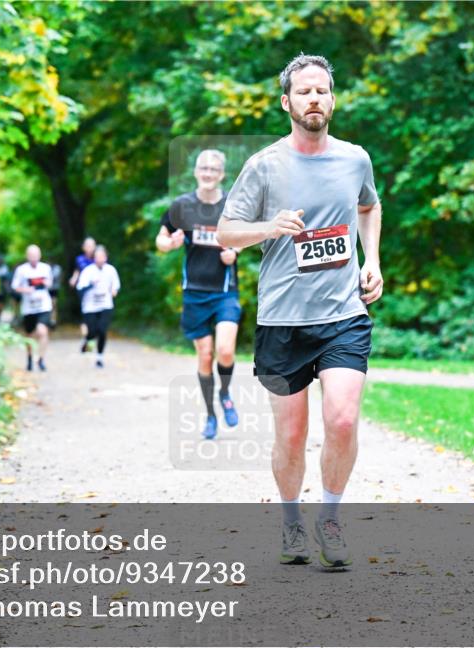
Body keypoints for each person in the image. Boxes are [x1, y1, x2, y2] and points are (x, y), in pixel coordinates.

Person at [216, 54, 384, 569]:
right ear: (287, 102)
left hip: (343, 316)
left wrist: (371, 259)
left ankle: (329, 519)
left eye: (322, 91)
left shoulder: (355, 159)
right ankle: (291, 523)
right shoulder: (264, 165)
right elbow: (226, 233)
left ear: (333, 99)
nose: (315, 99)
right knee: (290, 434)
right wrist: (269, 228)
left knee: (342, 417)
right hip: (282, 322)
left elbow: (368, 206)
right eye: (304, 92)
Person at [156, 149, 241, 441]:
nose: (208, 173)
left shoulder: (232, 204)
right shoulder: (182, 206)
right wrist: (169, 243)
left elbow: (247, 234)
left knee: (225, 351)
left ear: (221, 174)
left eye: (213, 169)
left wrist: (236, 251)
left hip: (225, 291)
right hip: (194, 293)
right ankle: (210, 415)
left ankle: (226, 393)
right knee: (205, 356)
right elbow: (161, 237)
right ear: (195, 172)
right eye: (203, 168)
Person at [11, 244, 54, 372]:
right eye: (31, 255)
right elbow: (15, 287)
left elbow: (50, 283)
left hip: (44, 306)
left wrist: (47, 283)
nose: (34, 258)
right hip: (29, 308)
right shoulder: (21, 270)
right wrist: (25, 290)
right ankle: (29, 357)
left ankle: (41, 359)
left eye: (36, 255)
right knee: (29, 335)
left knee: (42, 331)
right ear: (27, 256)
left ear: (40, 255)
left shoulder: (45, 268)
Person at [76, 245, 120, 368]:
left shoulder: (111, 270)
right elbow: (80, 289)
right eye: (97, 257)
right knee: (92, 331)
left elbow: (115, 286)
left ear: (106, 257)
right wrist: (91, 284)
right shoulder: (87, 271)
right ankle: (87, 340)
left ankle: (99, 357)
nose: (100, 259)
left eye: (102, 257)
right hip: (90, 306)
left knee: (102, 330)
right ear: (94, 258)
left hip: (105, 305)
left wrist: (114, 291)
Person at [68, 237, 96, 351]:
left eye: (92, 245)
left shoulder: (99, 258)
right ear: (83, 247)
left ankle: (91, 337)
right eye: (88, 245)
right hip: (84, 290)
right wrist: (73, 279)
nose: (90, 248)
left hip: (97, 291)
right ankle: (86, 338)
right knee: (86, 314)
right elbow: (77, 272)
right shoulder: (79, 259)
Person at [49, 262, 62, 328]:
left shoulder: (57, 268)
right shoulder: (46, 268)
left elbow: (55, 276)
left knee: (53, 305)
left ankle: (53, 320)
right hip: (48, 290)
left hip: (54, 289)